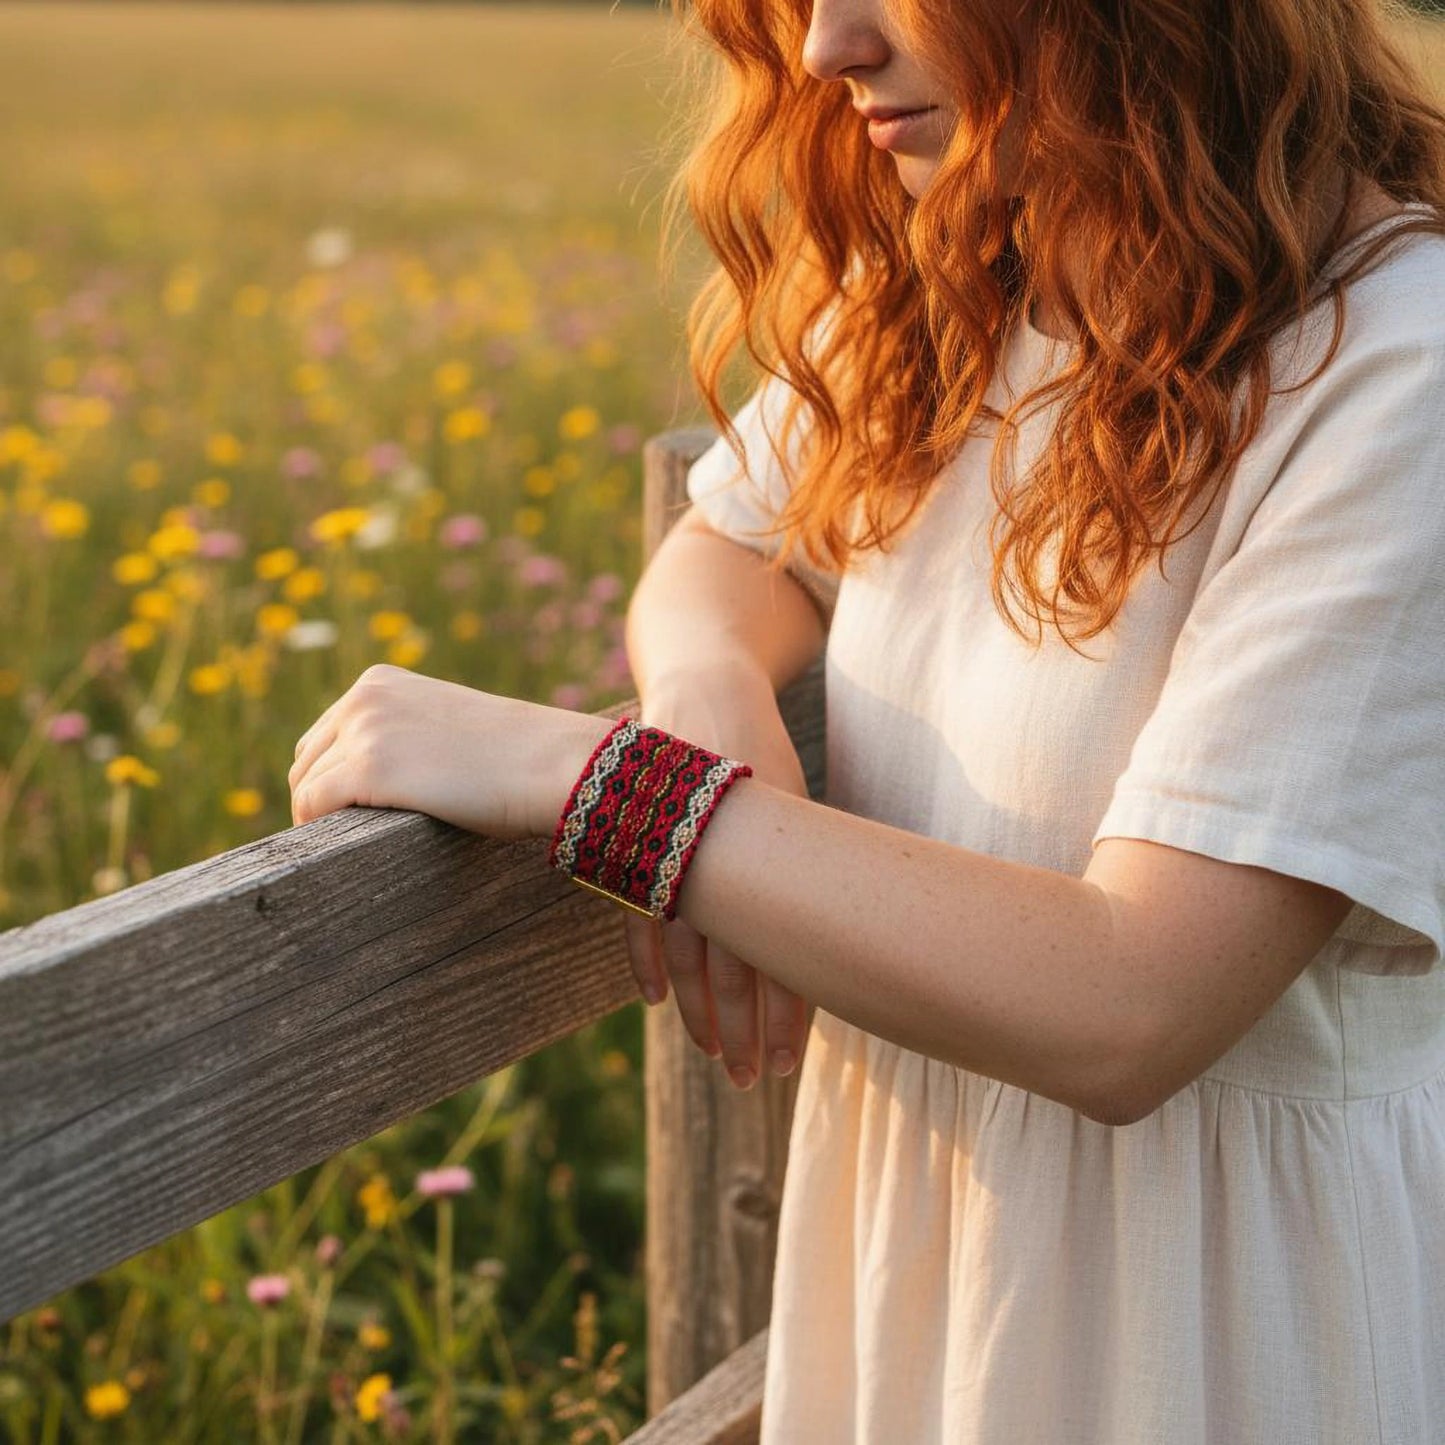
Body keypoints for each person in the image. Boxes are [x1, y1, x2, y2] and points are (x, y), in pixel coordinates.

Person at [289, 0, 1445, 1438]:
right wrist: (703, 696)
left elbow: (1133, 1002)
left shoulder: (1401, 375)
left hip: (1213, 1329)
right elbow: (729, 547)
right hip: (911, 1270)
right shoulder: (973, 272)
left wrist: (598, 777)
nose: (826, 46)